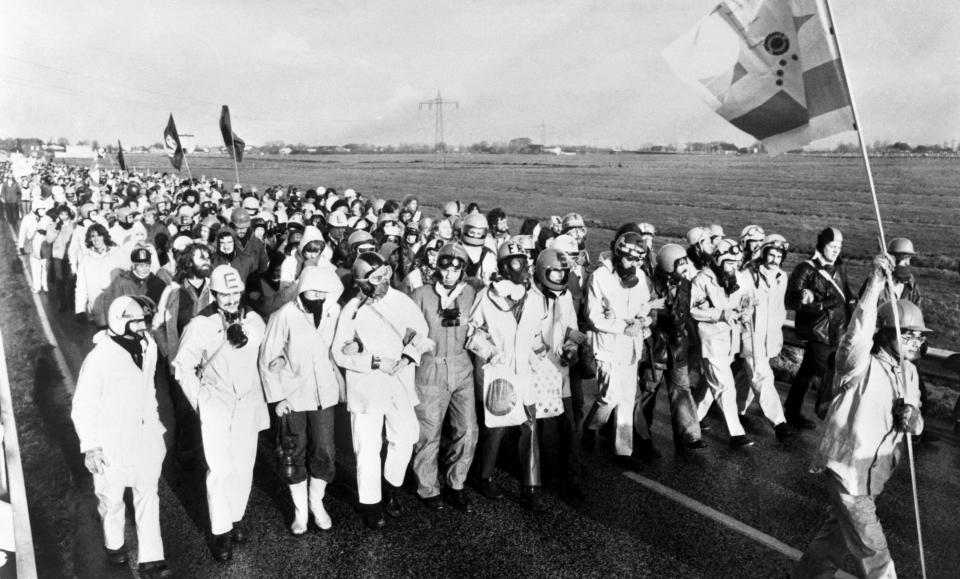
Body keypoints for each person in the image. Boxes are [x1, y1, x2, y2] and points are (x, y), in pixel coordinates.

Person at [792, 254, 927, 578]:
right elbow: (857, 332)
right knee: (873, 548)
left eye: (919, 336)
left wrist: (914, 420)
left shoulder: (909, 373)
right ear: (885, 335)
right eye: (906, 334)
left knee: (834, 540)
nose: (915, 341)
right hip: (848, 471)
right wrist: (876, 283)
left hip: (873, 476)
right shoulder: (859, 364)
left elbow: (917, 418)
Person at [172, 265, 269, 562]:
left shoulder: (254, 319)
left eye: (234, 292)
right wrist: (200, 399)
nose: (230, 299)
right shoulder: (199, 324)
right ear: (213, 294)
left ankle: (235, 517)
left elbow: (262, 356)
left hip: (248, 401)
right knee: (220, 470)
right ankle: (220, 532)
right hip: (216, 402)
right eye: (224, 294)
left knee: (243, 466)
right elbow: (181, 366)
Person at [71, 296, 172, 578]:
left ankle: (152, 559)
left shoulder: (149, 347)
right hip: (111, 442)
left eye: (145, 321)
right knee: (111, 500)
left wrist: (156, 425)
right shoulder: (99, 358)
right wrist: (91, 447)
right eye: (138, 321)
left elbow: (148, 389)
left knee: (147, 496)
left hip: (145, 437)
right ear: (120, 321)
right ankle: (114, 543)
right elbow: (82, 406)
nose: (144, 327)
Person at [332, 252, 432, 529]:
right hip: (366, 386)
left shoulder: (402, 301)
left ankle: (390, 487)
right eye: (376, 278)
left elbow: (423, 334)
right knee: (367, 446)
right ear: (362, 283)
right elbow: (339, 353)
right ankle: (371, 503)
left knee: (407, 436)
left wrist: (408, 357)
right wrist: (374, 360)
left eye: (386, 274)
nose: (385, 281)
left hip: (399, 383)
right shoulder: (351, 309)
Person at [260, 266, 344, 535]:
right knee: (291, 450)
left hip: (324, 394)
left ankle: (316, 503)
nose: (317, 295)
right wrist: (277, 397)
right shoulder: (285, 314)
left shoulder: (334, 312)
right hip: (293, 396)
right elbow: (267, 357)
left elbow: (340, 343)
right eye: (312, 290)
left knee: (325, 450)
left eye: (323, 290)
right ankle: (300, 512)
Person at [466, 240, 548, 510]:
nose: (522, 267)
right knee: (497, 428)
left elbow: (536, 333)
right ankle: (485, 476)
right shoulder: (488, 298)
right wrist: (490, 352)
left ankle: (531, 486)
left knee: (530, 427)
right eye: (515, 262)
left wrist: (539, 354)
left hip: (525, 371)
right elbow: (472, 330)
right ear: (503, 267)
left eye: (524, 261)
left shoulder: (535, 298)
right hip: (499, 370)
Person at [409, 243, 479, 512]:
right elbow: (407, 330)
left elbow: (481, 325)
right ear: (436, 267)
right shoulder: (420, 295)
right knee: (429, 431)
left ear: (463, 270)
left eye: (456, 267)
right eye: (444, 266)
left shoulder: (471, 294)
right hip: (430, 367)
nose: (449, 273)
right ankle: (427, 487)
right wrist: (417, 343)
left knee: (468, 429)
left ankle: (457, 483)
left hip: (462, 366)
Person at [582, 232, 657, 466]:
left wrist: (644, 322)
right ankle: (591, 426)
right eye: (630, 259)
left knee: (627, 398)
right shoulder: (600, 277)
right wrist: (623, 326)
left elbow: (646, 307)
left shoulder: (641, 276)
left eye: (639, 260)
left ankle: (624, 451)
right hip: (607, 346)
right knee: (609, 397)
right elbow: (593, 317)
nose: (634, 264)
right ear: (618, 253)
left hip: (631, 347)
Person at [784, 227, 855, 429]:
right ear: (822, 245)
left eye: (839, 247)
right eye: (832, 246)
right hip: (817, 332)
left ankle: (791, 411)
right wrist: (823, 304)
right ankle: (833, 418)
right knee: (829, 374)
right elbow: (791, 301)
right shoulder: (805, 269)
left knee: (806, 372)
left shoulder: (840, 267)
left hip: (837, 330)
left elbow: (847, 294)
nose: (836, 250)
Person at [641, 244, 707, 450]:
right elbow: (651, 314)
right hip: (657, 345)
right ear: (670, 266)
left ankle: (689, 434)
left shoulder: (685, 284)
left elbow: (684, 314)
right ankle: (642, 436)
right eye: (681, 263)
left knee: (682, 389)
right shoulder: (650, 285)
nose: (686, 267)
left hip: (677, 345)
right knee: (648, 392)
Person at [691, 239, 755, 447]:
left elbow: (748, 300)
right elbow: (693, 309)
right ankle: (736, 434)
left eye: (736, 262)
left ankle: (692, 422)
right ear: (718, 260)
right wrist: (720, 314)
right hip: (710, 340)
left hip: (730, 341)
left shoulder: (739, 278)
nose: (733, 266)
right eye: (729, 262)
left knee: (711, 388)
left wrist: (746, 313)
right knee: (725, 387)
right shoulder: (702, 279)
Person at [738, 234, 792, 440]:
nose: (774, 260)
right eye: (771, 254)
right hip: (751, 336)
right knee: (762, 377)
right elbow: (738, 300)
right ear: (763, 253)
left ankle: (734, 409)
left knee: (748, 377)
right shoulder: (748, 274)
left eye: (779, 256)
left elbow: (780, 309)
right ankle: (779, 422)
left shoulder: (782, 277)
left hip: (769, 339)